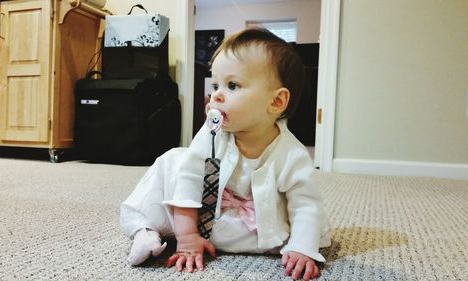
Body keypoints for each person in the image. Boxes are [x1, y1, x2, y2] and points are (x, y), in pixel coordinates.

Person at [120, 27, 331, 281]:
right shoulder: (213, 134)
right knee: (171, 165)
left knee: (304, 226)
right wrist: (186, 239)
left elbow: (306, 204)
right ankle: (145, 230)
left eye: (232, 85)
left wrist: (301, 247)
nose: (216, 94)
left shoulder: (292, 154)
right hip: (204, 213)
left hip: (254, 224)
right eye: (216, 84)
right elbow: (189, 181)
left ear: (276, 102)